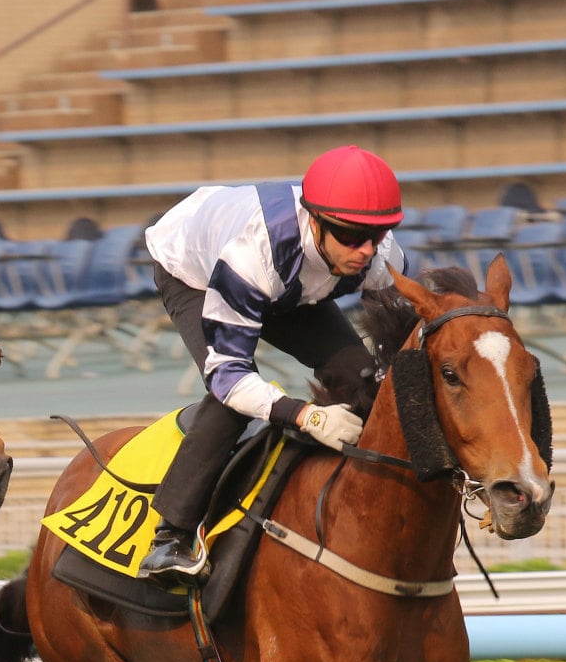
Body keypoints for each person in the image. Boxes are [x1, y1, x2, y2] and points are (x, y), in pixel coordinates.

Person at [135, 144, 407, 588]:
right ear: (316, 221)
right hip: (198, 272)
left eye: (375, 236)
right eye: (351, 236)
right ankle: (171, 537)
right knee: (233, 405)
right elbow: (229, 377)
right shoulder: (252, 256)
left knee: (362, 375)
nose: (364, 250)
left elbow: (404, 334)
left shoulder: (378, 252)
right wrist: (308, 415)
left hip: (293, 283)